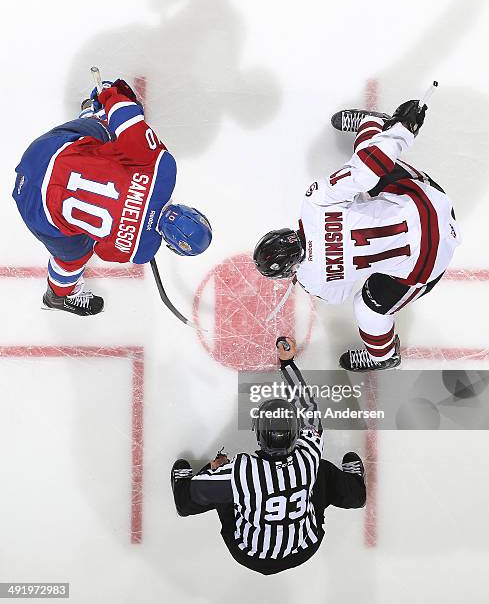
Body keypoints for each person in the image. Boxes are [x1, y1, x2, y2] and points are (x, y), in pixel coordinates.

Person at [253, 100, 461, 371]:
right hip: (432, 204)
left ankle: (383, 356)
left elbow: (338, 294)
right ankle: (375, 124)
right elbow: (365, 172)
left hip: (431, 261)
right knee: (367, 168)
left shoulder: (313, 280)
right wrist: (403, 130)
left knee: (367, 307)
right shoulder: (313, 204)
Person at [12, 78, 212, 316]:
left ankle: (94, 111)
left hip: (44, 151)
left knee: (110, 135)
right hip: (34, 208)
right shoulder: (140, 250)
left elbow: (128, 120)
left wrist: (112, 96)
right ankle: (58, 295)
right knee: (75, 254)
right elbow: (102, 248)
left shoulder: (164, 171)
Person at [171, 337, 366, 575]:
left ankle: (182, 499)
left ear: (258, 433)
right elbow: (307, 404)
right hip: (304, 547)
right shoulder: (308, 454)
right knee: (319, 470)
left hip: (248, 552)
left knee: (219, 489)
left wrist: (213, 467)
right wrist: (288, 363)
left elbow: (202, 489)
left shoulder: (240, 469)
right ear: (297, 432)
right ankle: (355, 494)